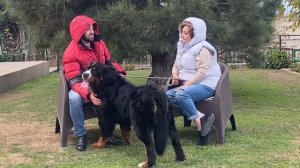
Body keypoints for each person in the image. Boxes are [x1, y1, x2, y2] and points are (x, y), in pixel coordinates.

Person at [63, 15, 126, 151]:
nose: (92, 31)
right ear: (79, 32)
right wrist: (88, 94)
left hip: (101, 83)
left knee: (121, 90)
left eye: (92, 28)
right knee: (73, 98)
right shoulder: (70, 52)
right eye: (88, 29)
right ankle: (80, 135)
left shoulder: (99, 43)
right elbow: (73, 79)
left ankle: (112, 132)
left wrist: (119, 72)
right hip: (82, 83)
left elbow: (109, 62)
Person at [166, 17, 221, 146]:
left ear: (195, 34)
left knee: (182, 94)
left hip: (206, 84)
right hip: (189, 85)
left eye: (186, 33)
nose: (182, 36)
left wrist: (186, 85)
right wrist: (175, 76)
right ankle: (202, 117)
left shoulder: (204, 48)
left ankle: (200, 126)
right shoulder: (182, 47)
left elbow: (203, 72)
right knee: (166, 97)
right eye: (182, 32)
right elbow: (176, 65)